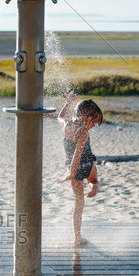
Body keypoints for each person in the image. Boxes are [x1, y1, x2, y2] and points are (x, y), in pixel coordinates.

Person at [56, 91, 103, 247]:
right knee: (93, 178)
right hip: (87, 165)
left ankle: (77, 238)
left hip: (74, 171)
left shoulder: (66, 125)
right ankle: (94, 186)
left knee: (79, 203)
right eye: (93, 121)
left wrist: (67, 103)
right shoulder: (83, 133)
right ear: (85, 116)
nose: (94, 125)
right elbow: (78, 155)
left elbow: (60, 117)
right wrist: (70, 174)